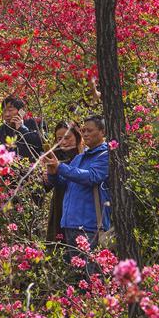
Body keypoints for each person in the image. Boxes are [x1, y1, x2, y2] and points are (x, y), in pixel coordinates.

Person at [42, 115, 110, 279]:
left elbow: (91, 177)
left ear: (103, 132)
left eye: (90, 130)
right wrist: (52, 173)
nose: (85, 134)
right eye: (83, 130)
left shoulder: (106, 155)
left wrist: (60, 167)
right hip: (69, 225)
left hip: (90, 227)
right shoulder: (80, 158)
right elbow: (62, 183)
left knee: (91, 277)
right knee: (76, 278)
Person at [43, 122, 83, 243]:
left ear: (77, 136)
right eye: (59, 139)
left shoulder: (84, 156)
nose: (64, 142)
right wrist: (47, 175)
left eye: (67, 138)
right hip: (59, 204)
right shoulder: (55, 156)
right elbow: (48, 186)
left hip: (79, 206)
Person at [0, 96, 44, 160]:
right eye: (4, 111)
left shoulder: (36, 123)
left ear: (21, 111)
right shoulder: (0, 131)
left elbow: (42, 144)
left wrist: (22, 128)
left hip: (34, 167)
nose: (6, 114)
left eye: (10, 110)